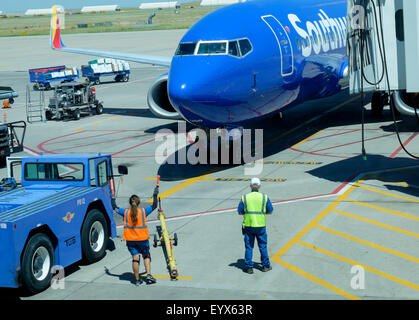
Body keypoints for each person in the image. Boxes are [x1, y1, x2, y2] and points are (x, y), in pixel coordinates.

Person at [115, 186, 159, 286]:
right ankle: (148, 275)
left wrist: (112, 198)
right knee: (146, 255)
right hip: (142, 239)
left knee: (135, 258)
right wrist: (155, 194)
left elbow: (115, 208)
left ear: (130, 203)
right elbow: (154, 205)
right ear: (138, 202)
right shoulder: (143, 211)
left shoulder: (125, 212)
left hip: (130, 240)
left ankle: (137, 279)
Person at [237, 177, 273, 274]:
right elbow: (270, 211)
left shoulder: (244, 197)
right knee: (263, 246)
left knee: (249, 247)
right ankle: (265, 266)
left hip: (248, 226)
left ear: (250, 186)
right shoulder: (265, 197)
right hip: (261, 226)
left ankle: (249, 267)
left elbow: (240, 212)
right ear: (260, 186)